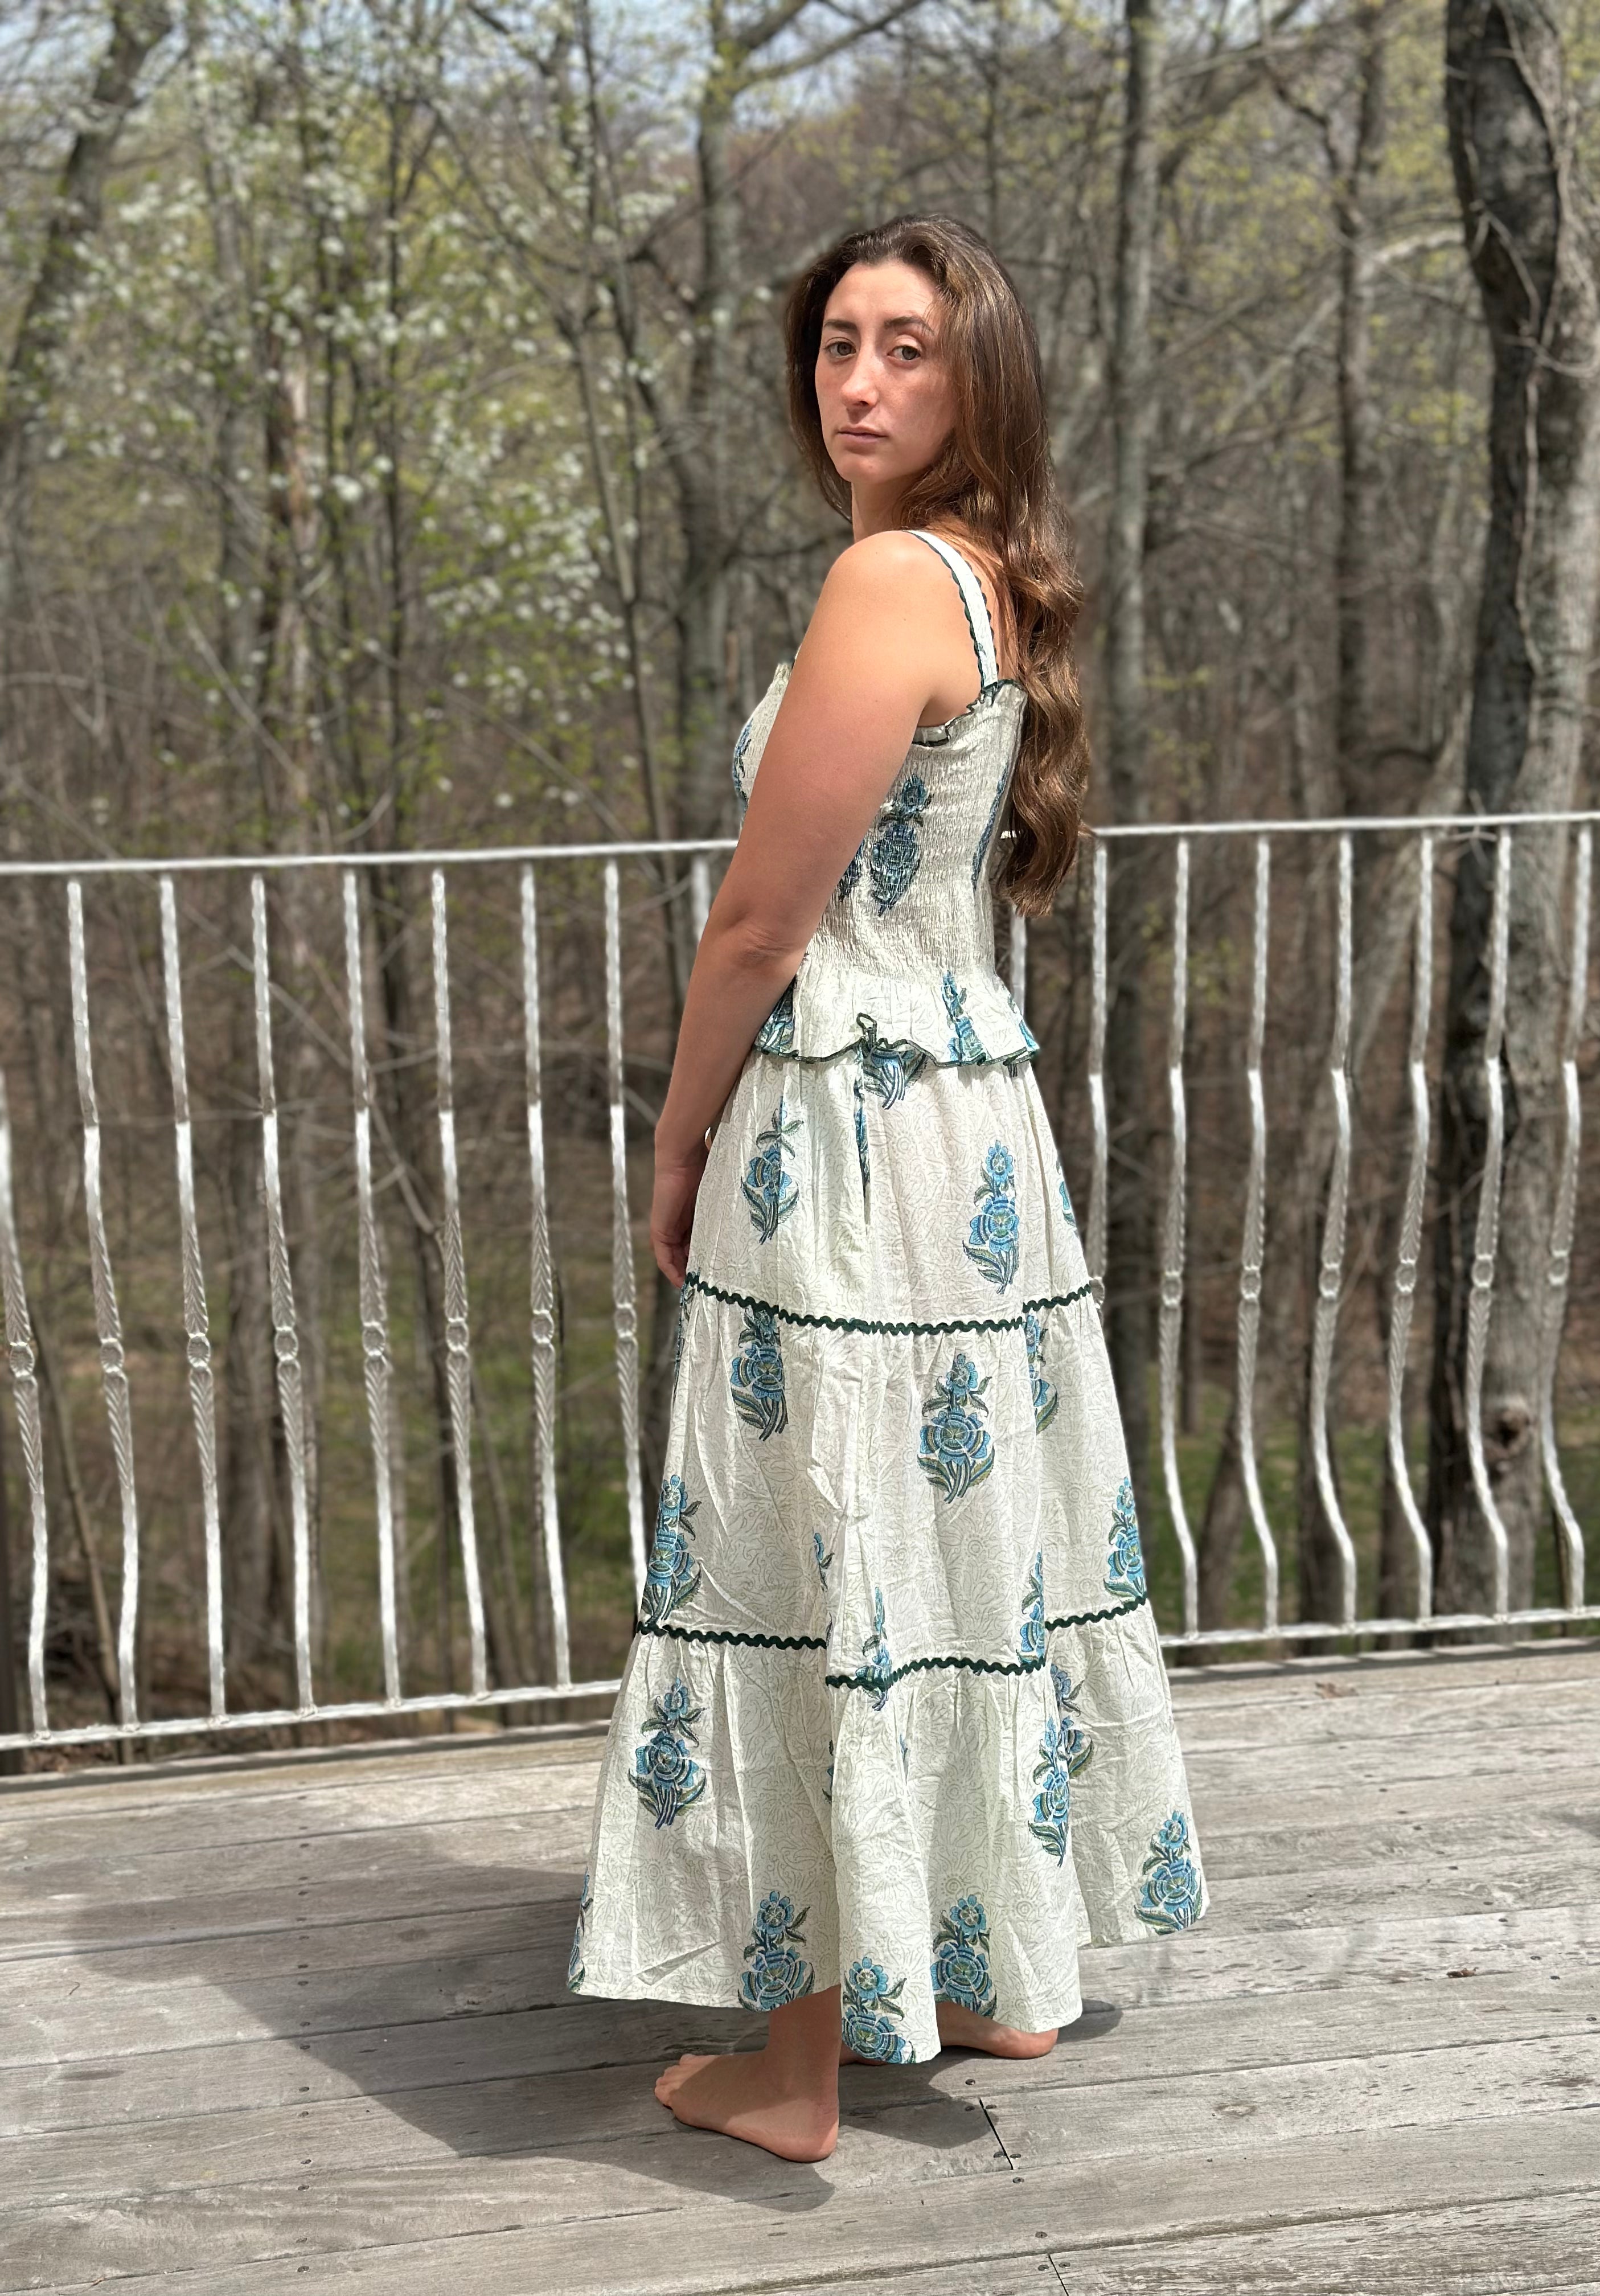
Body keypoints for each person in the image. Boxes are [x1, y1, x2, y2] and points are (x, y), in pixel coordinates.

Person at [567, 213, 1209, 2164]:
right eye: (838, 343)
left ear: (975, 376)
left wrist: (678, 1135)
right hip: (968, 1129)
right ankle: (995, 1967)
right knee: (960, 1530)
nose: (857, 382)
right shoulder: (987, 580)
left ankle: (794, 2065)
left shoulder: (881, 581)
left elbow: (764, 923)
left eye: (906, 348)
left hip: (843, 1133)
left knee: (812, 1541)